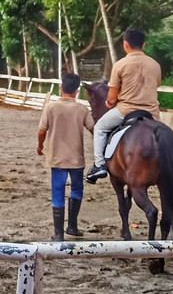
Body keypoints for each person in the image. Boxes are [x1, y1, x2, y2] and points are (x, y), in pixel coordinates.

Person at [85, 28, 162, 183]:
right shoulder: (155, 65)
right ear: (144, 45)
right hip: (152, 113)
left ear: (125, 45)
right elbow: (156, 86)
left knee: (100, 127)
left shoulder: (120, 64)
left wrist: (108, 102)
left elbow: (112, 97)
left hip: (126, 111)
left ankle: (99, 166)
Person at [37, 72, 95, 241]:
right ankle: (72, 226)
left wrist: (40, 145)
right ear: (77, 91)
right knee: (77, 190)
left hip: (57, 157)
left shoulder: (51, 107)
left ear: (61, 88)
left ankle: (58, 234)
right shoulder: (82, 109)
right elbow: (93, 130)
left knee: (58, 192)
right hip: (76, 158)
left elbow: (42, 131)